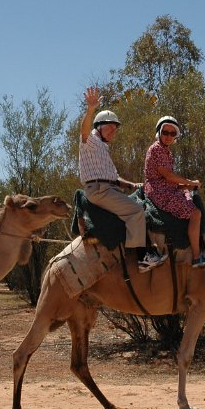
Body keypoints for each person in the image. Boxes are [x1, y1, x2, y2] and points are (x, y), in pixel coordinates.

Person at [79, 86, 167, 273]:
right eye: (109, 127)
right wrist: (90, 109)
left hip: (106, 188)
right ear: (98, 126)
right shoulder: (91, 140)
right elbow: (84, 132)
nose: (113, 131)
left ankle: (144, 249)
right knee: (136, 211)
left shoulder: (102, 147)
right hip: (99, 190)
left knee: (140, 202)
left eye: (115, 129)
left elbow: (113, 177)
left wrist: (133, 185)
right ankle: (142, 258)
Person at [143, 116, 205, 268]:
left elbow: (170, 179)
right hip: (160, 191)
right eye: (165, 132)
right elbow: (168, 176)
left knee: (192, 198)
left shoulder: (167, 152)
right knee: (195, 213)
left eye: (172, 133)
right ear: (159, 132)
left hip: (168, 187)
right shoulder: (156, 149)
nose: (169, 136)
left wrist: (185, 186)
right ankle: (197, 257)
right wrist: (190, 182)